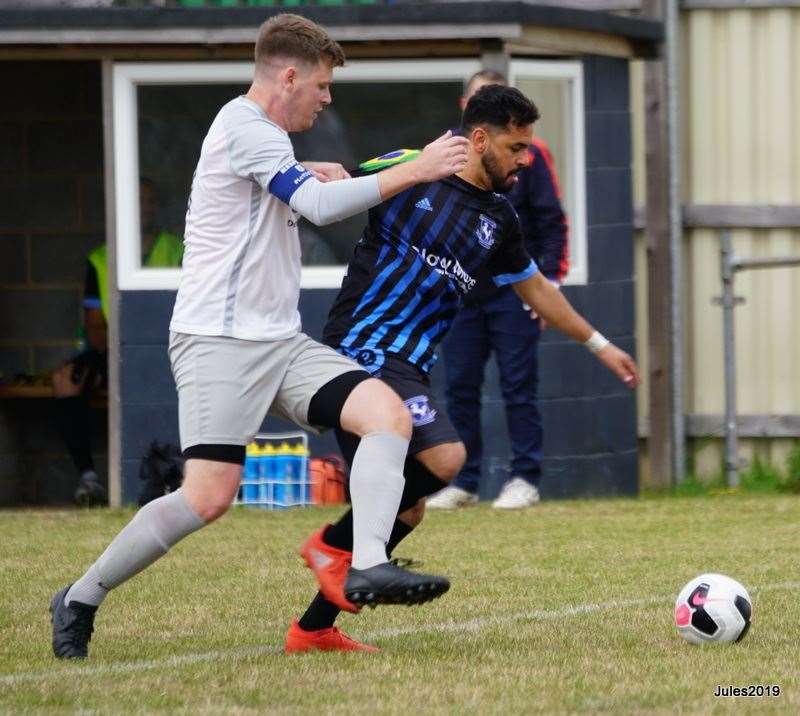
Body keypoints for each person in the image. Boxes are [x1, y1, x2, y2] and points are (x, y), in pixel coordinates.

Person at [49, 13, 470, 659]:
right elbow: (322, 208)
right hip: (218, 341)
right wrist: (421, 169)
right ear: (290, 75)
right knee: (206, 498)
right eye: (323, 86)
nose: (328, 98)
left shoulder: (264, 137)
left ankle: (363, 565)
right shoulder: (243, 127)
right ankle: (80, 595)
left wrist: (315, 168)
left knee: (385, 415)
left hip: (279, 340)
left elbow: (288, 188)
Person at [284, 83, 639, 653]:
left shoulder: (499, 220)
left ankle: (313, 629)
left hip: (411, 365)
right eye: (517, 148)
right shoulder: (411, 170)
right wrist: (292, 167)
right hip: (363, 346)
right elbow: (318, 187)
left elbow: (536, 290)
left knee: (410, 508)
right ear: (479, 139)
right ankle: (333, 546)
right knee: (446, 458)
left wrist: (599, 343)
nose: (525, 161)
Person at [429, 70, 568, 510]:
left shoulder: (530, 155)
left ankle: (524, 477)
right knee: (460, 388)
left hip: (515, 291)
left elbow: (551, 222)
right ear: (468, 111)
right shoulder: (441, 152)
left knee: (518, 386)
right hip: (461, 291)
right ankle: (464, 481)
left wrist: (547, 286)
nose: (517, 156)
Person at [52, 178, 184, 506]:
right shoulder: (102, 257)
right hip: (112, 350)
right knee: (64, 380)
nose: (145, 208)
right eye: (138, 201)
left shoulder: (177, 246)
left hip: (174, 342)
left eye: (150, 201)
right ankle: (89, 479)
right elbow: (94, 323)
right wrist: (123, 356)